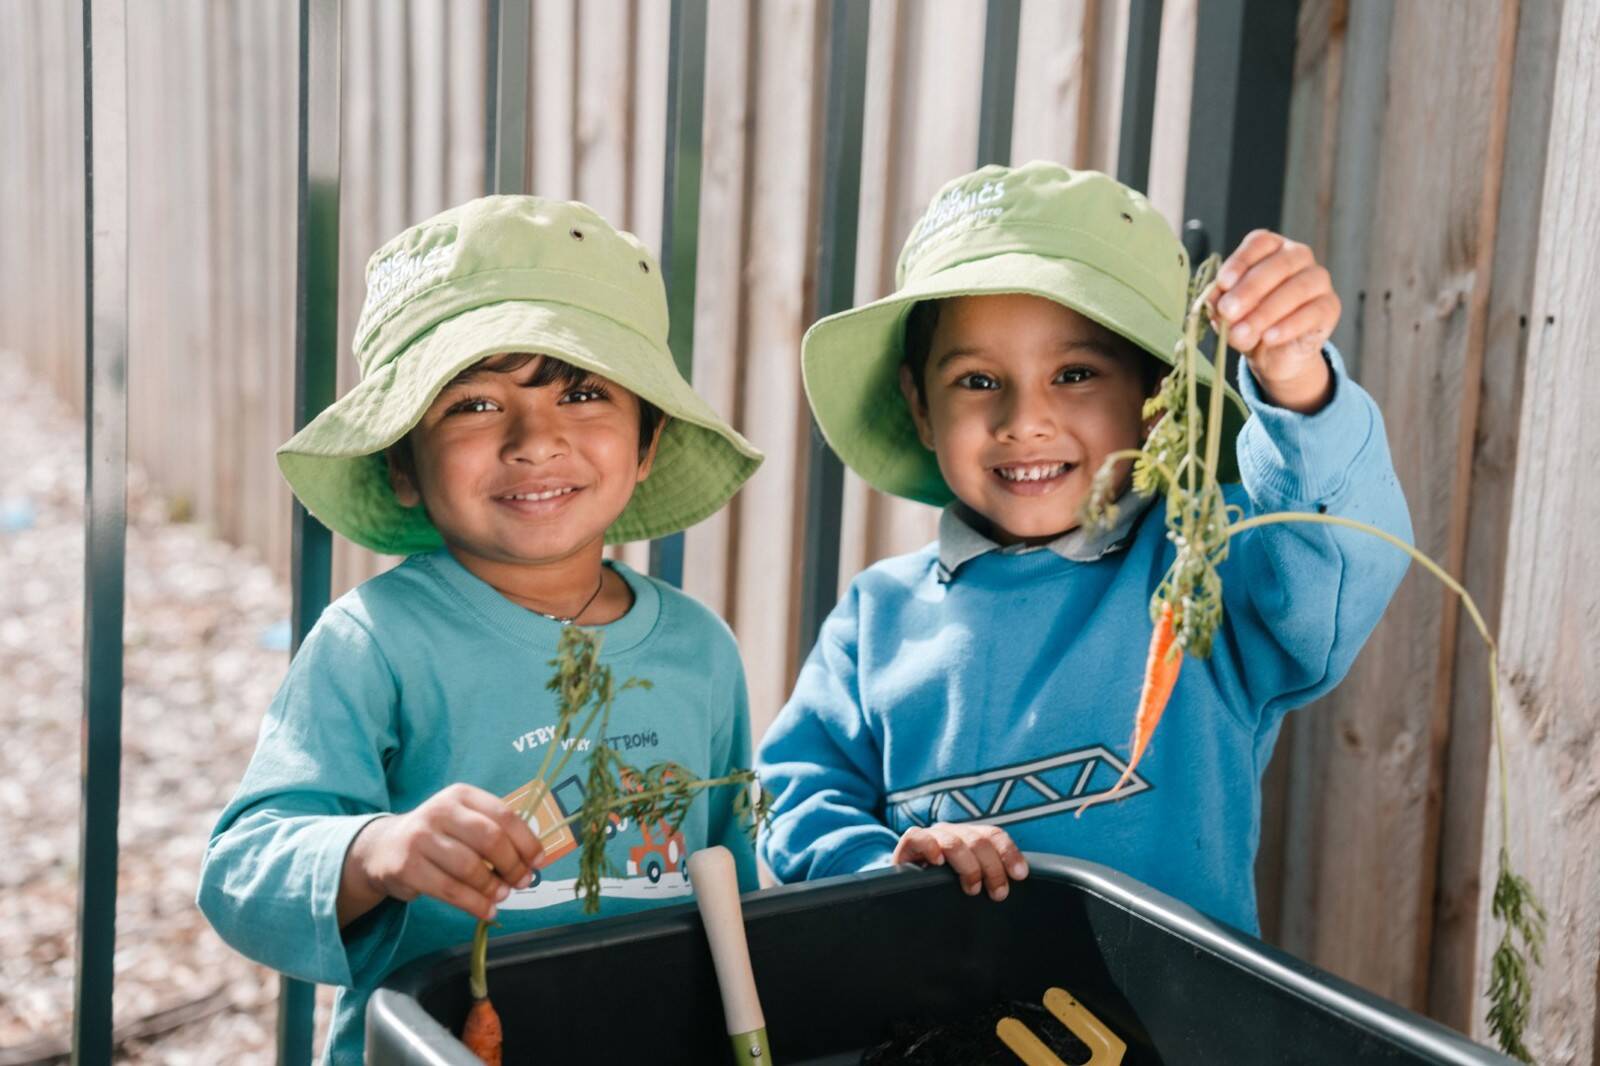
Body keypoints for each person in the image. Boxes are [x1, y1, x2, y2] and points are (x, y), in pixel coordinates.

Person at [757, 161, 1411, 935]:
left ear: (1155, 400)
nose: (1025, 420)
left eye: (1074, 373)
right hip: (932, 1030)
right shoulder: (877, 618)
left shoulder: (1205, 564)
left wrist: (1297, 380)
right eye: (975, 380)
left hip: (1167, 1034)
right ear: (919, 406)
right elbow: (796, 792)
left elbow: (1334, 563)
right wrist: (889, 864)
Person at [198, 195, 763, 1064]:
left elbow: (737, 891)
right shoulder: (374, 643)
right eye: (473, 403)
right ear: (400, 462)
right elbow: (243, 875)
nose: (536, 440)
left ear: (647, 442)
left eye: (583, 392)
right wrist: (380, 849)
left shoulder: (700, 649)